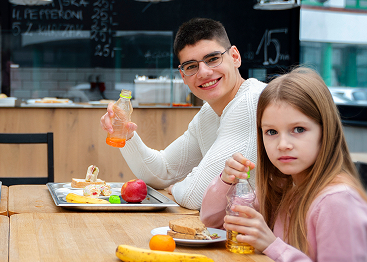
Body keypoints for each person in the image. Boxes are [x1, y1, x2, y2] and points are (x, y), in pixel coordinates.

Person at [200, 67, 367, 262]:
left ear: (326, 132)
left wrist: (273, 246)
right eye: (271, 132)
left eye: (299, 130)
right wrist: (226, 181)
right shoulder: (285, 185)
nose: (283, 144)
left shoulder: (338, 202)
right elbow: (211, 220)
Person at [101, 18, 265, 209]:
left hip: (274, 237)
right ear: (183, 76)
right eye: (191, 66)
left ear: (235, 57)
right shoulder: (208, 113)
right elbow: (163, 172)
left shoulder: (251, 102)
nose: (203, 72)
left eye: (213, 59)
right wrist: (126, 135)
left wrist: (178, 188)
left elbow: (195, 196)